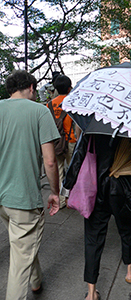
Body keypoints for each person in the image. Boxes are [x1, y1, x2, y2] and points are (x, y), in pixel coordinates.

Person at [61, 134, 131, 300]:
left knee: (93, 238)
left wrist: (67, 187)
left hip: (96, 188)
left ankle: (91, 293)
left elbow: (78, 156)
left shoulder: (93, 126)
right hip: (123, 188)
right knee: (127, 229)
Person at [0, 70, 60, 300]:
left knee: (23, 242)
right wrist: (55, 192)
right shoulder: (39, 111)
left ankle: (36, 281)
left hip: (2, 197)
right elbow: (50, 161)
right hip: (23, 196)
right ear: (32, 88)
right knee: (20, 258)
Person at [47, 75, 82, 208]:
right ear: (69, 88)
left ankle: (61, 201)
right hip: (71, 140)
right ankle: (73, 198)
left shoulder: (49, 104)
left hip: (56, 142)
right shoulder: (73, 101)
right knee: (74, 170)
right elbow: (77, 124)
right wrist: (79, 138)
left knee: (58, 170)